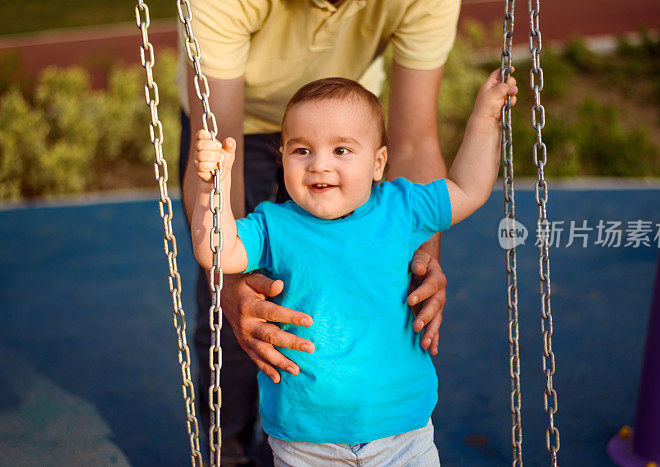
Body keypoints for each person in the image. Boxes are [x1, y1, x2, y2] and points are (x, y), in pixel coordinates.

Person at [177, 0, 461, 464]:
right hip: (234, 122)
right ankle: (226, 442)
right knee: (241, 306)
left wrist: (422, 257)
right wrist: (228, 283)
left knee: (358, 284)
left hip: (343, 120)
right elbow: (216, 146)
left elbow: (414, 140)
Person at [189, 74, 517, 465]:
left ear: (378, 163)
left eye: (341, 150)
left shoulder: (400, 208)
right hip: (306, 439)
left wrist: (485, 116)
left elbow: (468, 188)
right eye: (302, 151)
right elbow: (217, 252)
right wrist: (215, 188)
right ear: (283, 158)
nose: (320, 165)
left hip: (402, 432)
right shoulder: (273, 225)